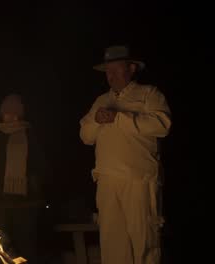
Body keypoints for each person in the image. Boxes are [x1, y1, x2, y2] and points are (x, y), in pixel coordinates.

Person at [79, 45, 171, 264]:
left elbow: (162, 125)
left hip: (139, 179)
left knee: (144, 241)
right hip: (107, 181)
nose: (110, 75)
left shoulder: (149, 94)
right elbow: (85, 136)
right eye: (107, 71)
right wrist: (96, 120)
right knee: (112, 243)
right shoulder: (101, 101)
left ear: (131, 68)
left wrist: (119, 118)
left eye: (115, 69)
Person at [0, 93, 46, 262]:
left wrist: (35, 186)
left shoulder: (31, 136)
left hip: (26, 204)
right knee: (0, 249)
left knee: (27, 250)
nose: (11, 116)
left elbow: (40, 166)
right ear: (2, 113)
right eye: (7, 112)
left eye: (15, 112)